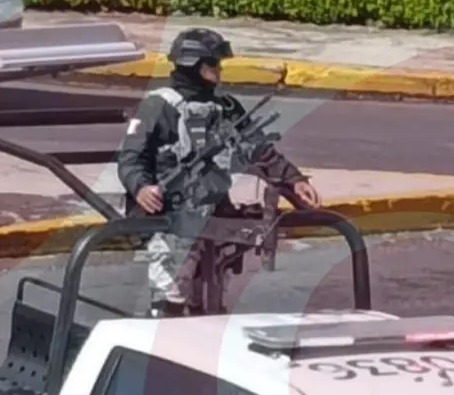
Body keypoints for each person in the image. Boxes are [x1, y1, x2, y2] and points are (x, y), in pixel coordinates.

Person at [115, 27, 320, 318]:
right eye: (212, 65)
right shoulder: (158, 106)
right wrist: (141, 188)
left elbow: (257, 148)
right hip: (171, 214)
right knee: (169, 299)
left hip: (214, 212)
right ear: (193, 66)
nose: (218, 71)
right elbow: (131, 157)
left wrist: (293, 179)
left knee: (210, 298)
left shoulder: (226, 107)